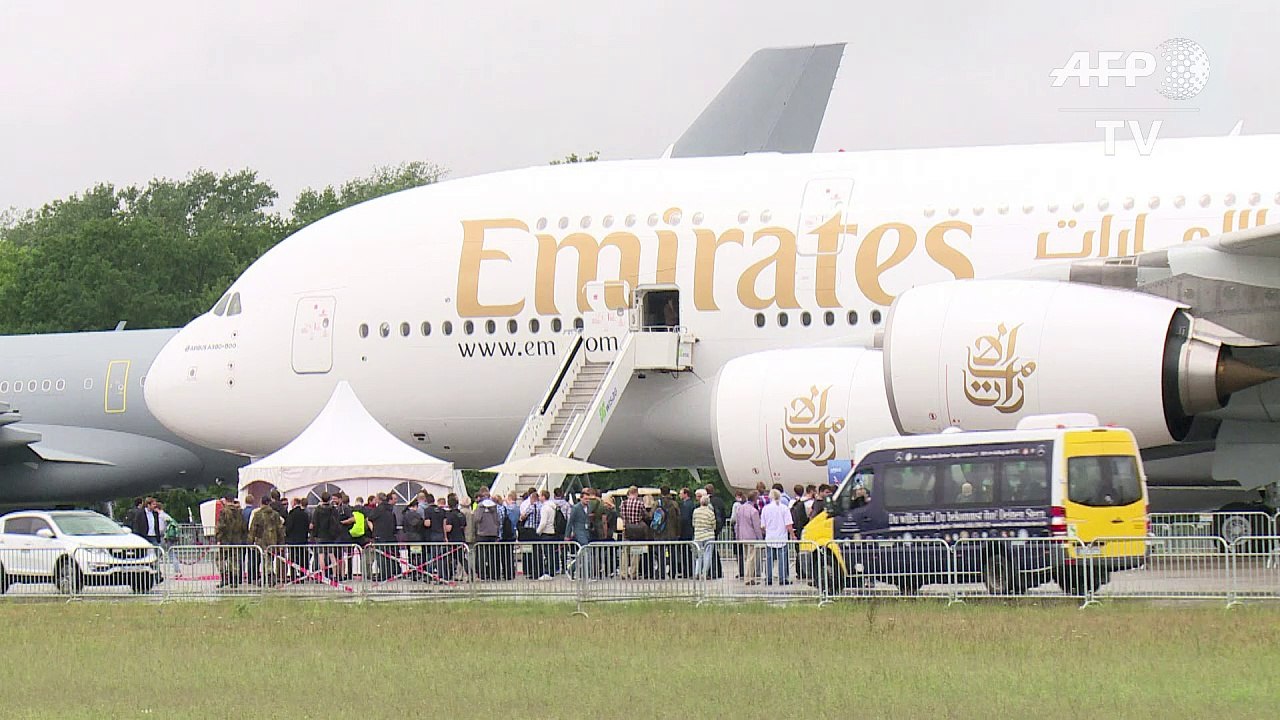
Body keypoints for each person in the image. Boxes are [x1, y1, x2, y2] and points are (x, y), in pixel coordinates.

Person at [761, 489, 795, 586]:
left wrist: (766, 532)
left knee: (769, 559)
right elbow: (788, 524)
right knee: (782, 559)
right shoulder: (784, 508)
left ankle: (768, 578)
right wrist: (792, 535)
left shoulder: (765, 509)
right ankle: (782, 578)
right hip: (782, 537)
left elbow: (763, 525)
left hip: (770, 537)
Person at [248, 497, 285, 586]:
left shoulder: (257, 514)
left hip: (261, 542)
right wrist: (281, 543)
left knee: (264, 560)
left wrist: (250, 542)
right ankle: (268, 577)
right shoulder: (275, 515)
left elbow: (253, 529)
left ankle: (268, 576)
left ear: (261, 503)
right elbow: (280, 530)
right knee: (269, 560)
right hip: (273, 541)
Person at [215, 496, 247, 588]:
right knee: (234, 560)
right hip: (237, 540)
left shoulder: (224, 512)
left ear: (226, 500)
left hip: (225, 540)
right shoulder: (240, 512)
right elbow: (244, 527)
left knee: (220, 559)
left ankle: (224, 578)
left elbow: (221, 526)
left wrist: (218, 538)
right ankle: (234, 581)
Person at [733, 491, 763, 585]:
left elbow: (737, 524)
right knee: (751, 558)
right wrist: (760, 538)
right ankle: (748, 578)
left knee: (747, 557)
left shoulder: (740, 509)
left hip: (742, 536)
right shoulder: (753, 511)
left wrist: (737, 536)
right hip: (751, 537)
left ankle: (749, 577)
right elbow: (757, 527)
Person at [619, 487, 648, 580]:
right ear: (636, 493)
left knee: (625, 552)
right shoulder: (640, 503)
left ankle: (623, 572)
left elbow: (622, 516)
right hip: (637, 529)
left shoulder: (624, 503)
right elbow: (645, 515)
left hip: (627, 529)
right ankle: (633, 573)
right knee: (636, 552)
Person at [565, 492, 595, 580]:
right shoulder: (575, 508)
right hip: (579, 531)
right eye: (585, 499)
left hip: (586, 532)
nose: (587, 500)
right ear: (581, 499)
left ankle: (571, 569)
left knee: (583, 553)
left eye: (588, 499)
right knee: (586, 551)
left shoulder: (589, 507)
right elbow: (570, 521)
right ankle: (587, 575)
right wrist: (567, 535)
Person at [472, 489, 501, 580]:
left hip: (482, 533)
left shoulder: (480, 506)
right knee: (492, 555)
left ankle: (482, 574)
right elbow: (498, 520)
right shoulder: (494, 506)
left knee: (481, 555)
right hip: (493, 533)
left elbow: (477, 519)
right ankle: (494, 574)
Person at [284, 497, 311, 582]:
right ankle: (303, 576)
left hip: (292, 540)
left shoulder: (292, 514)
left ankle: (293, 576)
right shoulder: (305, 514)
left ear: (294, 503)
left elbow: (289, 527)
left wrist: (286, 534)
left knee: (292, 559)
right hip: (303, 539)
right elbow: (307, 527)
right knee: (303, 558)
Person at [691, 495, 717, 579]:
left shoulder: (695, 511)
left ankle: (697, 572)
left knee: (698, 555)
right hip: (709, 536)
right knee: (707, 555)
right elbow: (714, 525)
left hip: (698, 535)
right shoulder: (710, 512)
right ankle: (704, 573)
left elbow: (693, 523)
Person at [535, 488, 558, 580]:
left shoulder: (545, 508)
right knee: (551, 553)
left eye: (540, 496)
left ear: (543, 497)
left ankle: (548, 572)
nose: (539, 497)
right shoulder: (552, 507)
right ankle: (552, 571)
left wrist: (538, 532)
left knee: (547, 554)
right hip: (552, 531)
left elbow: (543, 522)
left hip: (545, 532)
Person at [444, 494, 468, 581]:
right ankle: (470, 573)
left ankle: (448, 575)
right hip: (461, 538)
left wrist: (444, 531)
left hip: (452, 539)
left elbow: (449, 528)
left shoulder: (450, 515)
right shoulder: (461, 514)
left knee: (449, 559)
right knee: (462, 559)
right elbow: (464, 526)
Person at [402, 497, 425, 580]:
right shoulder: (417, 515)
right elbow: (420, 526)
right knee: (418, 556)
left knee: (411, 556)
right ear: (416, 506)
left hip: (408, 538)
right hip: (417, 538)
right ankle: (418, 572)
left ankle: (412, 572)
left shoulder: (405, 515)